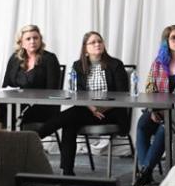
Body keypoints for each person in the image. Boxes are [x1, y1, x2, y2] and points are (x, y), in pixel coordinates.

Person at [35, 31, 130, 175]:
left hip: (112, 112)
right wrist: (91, 107)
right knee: (69, 122)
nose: (97, 44)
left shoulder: (115, 64)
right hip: (89, 110)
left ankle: (35, 137)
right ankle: (67, 172)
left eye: (99, 41)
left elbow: (123, 94)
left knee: (70, 117)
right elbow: (77, 92)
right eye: (93, 42)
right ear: (85, 48)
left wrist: (102, 108)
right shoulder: (78, 66)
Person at [133, 24, 175, 186]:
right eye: (173, 37)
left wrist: (165, 113)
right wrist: (153, 111)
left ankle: (144, 173)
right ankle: (145, 174)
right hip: (160, 110)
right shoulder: (158, 63)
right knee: (142, 124)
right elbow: (149, 90)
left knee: (165, 127)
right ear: (166, 41)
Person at [0, 24, 61, 126]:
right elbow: (5, 86)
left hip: (40, 106)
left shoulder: (49, 58)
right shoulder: (14, 59)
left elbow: (52, 90)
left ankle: (13, 140)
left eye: (35, 38)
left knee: (13, 114)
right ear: (21, 43)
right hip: (15, 104)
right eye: (28, 39)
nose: (32, 41)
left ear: (40, 40)